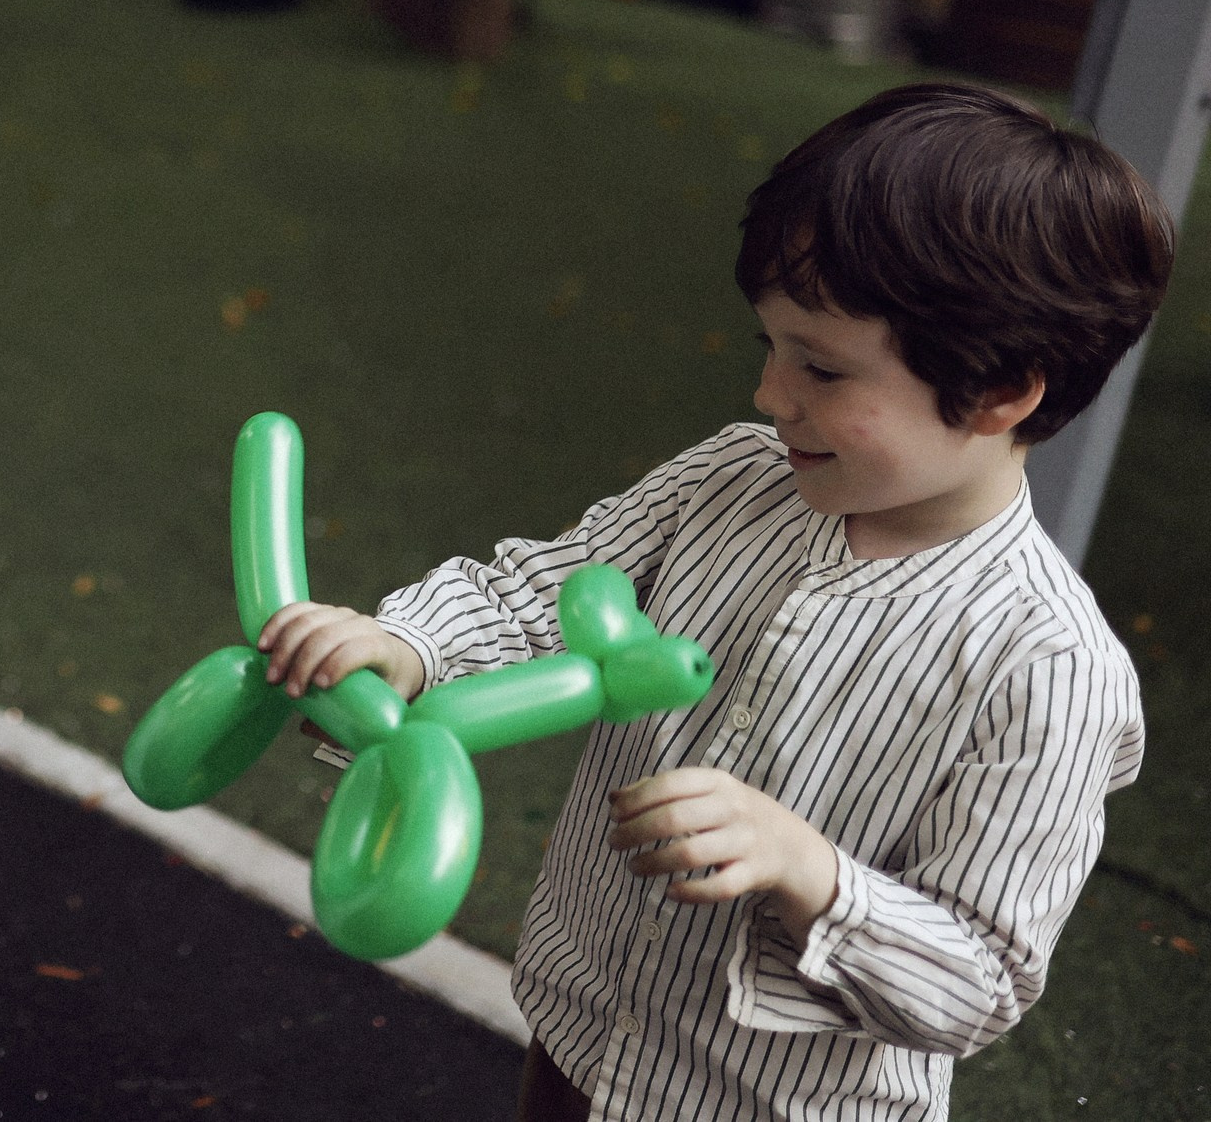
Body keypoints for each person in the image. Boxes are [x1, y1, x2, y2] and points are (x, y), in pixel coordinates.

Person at [257, 83, 1169, 1122]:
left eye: (820, 368)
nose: (770, 396)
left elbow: (980, 977)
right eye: (767, 348)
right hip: (581, 1034)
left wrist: (807, 869)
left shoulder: (1047, 670)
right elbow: (541, 593)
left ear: (1005, 391)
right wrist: (406, 645)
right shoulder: (731, 476)